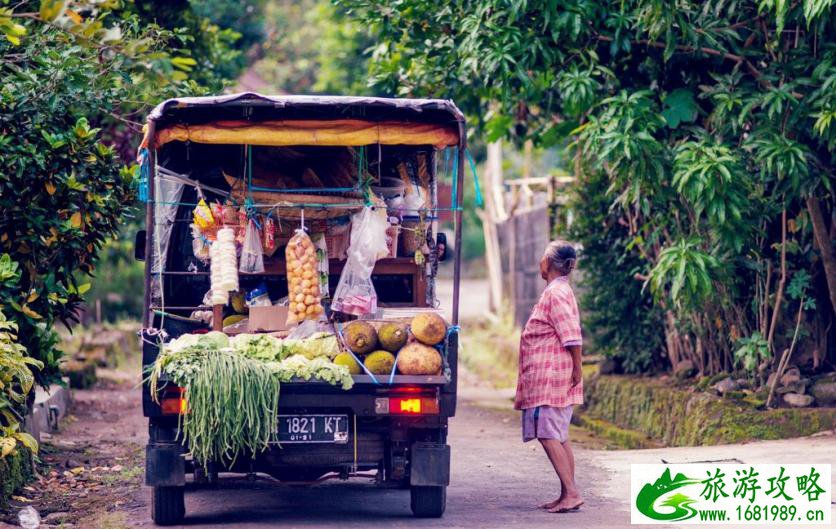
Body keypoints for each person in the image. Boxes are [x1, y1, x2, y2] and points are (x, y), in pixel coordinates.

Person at [514, 240, 584, 513]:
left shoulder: (556, 293)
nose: (539, 262)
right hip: (549, 374)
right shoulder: (557, 291)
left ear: (550, 263)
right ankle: (567, 492)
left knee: (548, 433)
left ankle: (572, 493)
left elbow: (571, 334)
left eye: (543, 256)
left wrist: (577, 369)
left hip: (552, 375)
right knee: (558, 434)